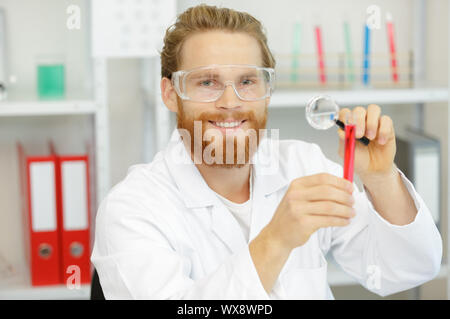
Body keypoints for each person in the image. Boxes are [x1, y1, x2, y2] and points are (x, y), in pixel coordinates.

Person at [91, 4, 442, 299]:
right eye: (207, 82)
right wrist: (277, 238)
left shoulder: (303, 166)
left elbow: (409, 268)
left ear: (267, 89)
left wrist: (381, 179)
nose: (230, 102)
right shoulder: (132, 209)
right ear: (170, 93)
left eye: (247, 81)